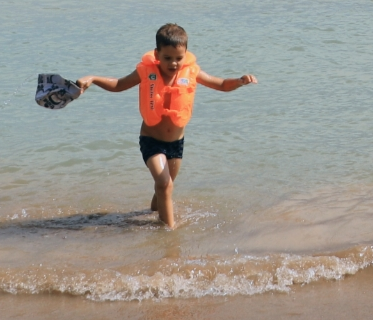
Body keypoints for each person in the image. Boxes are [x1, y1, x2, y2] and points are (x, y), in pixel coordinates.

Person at [74, 24, 258, 229]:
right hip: (151, 140)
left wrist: (240, 81)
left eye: (178, 58)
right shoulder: (145, 72)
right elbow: (119, 85)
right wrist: (93, 78)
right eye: (168, 58)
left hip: (176, 144)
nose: (174, 63)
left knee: (162, 190)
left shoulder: (192, 72)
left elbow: (222, 84)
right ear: (157, 54)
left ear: (185, 54)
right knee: (165, 184)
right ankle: (169, 235)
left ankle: (152, 215)